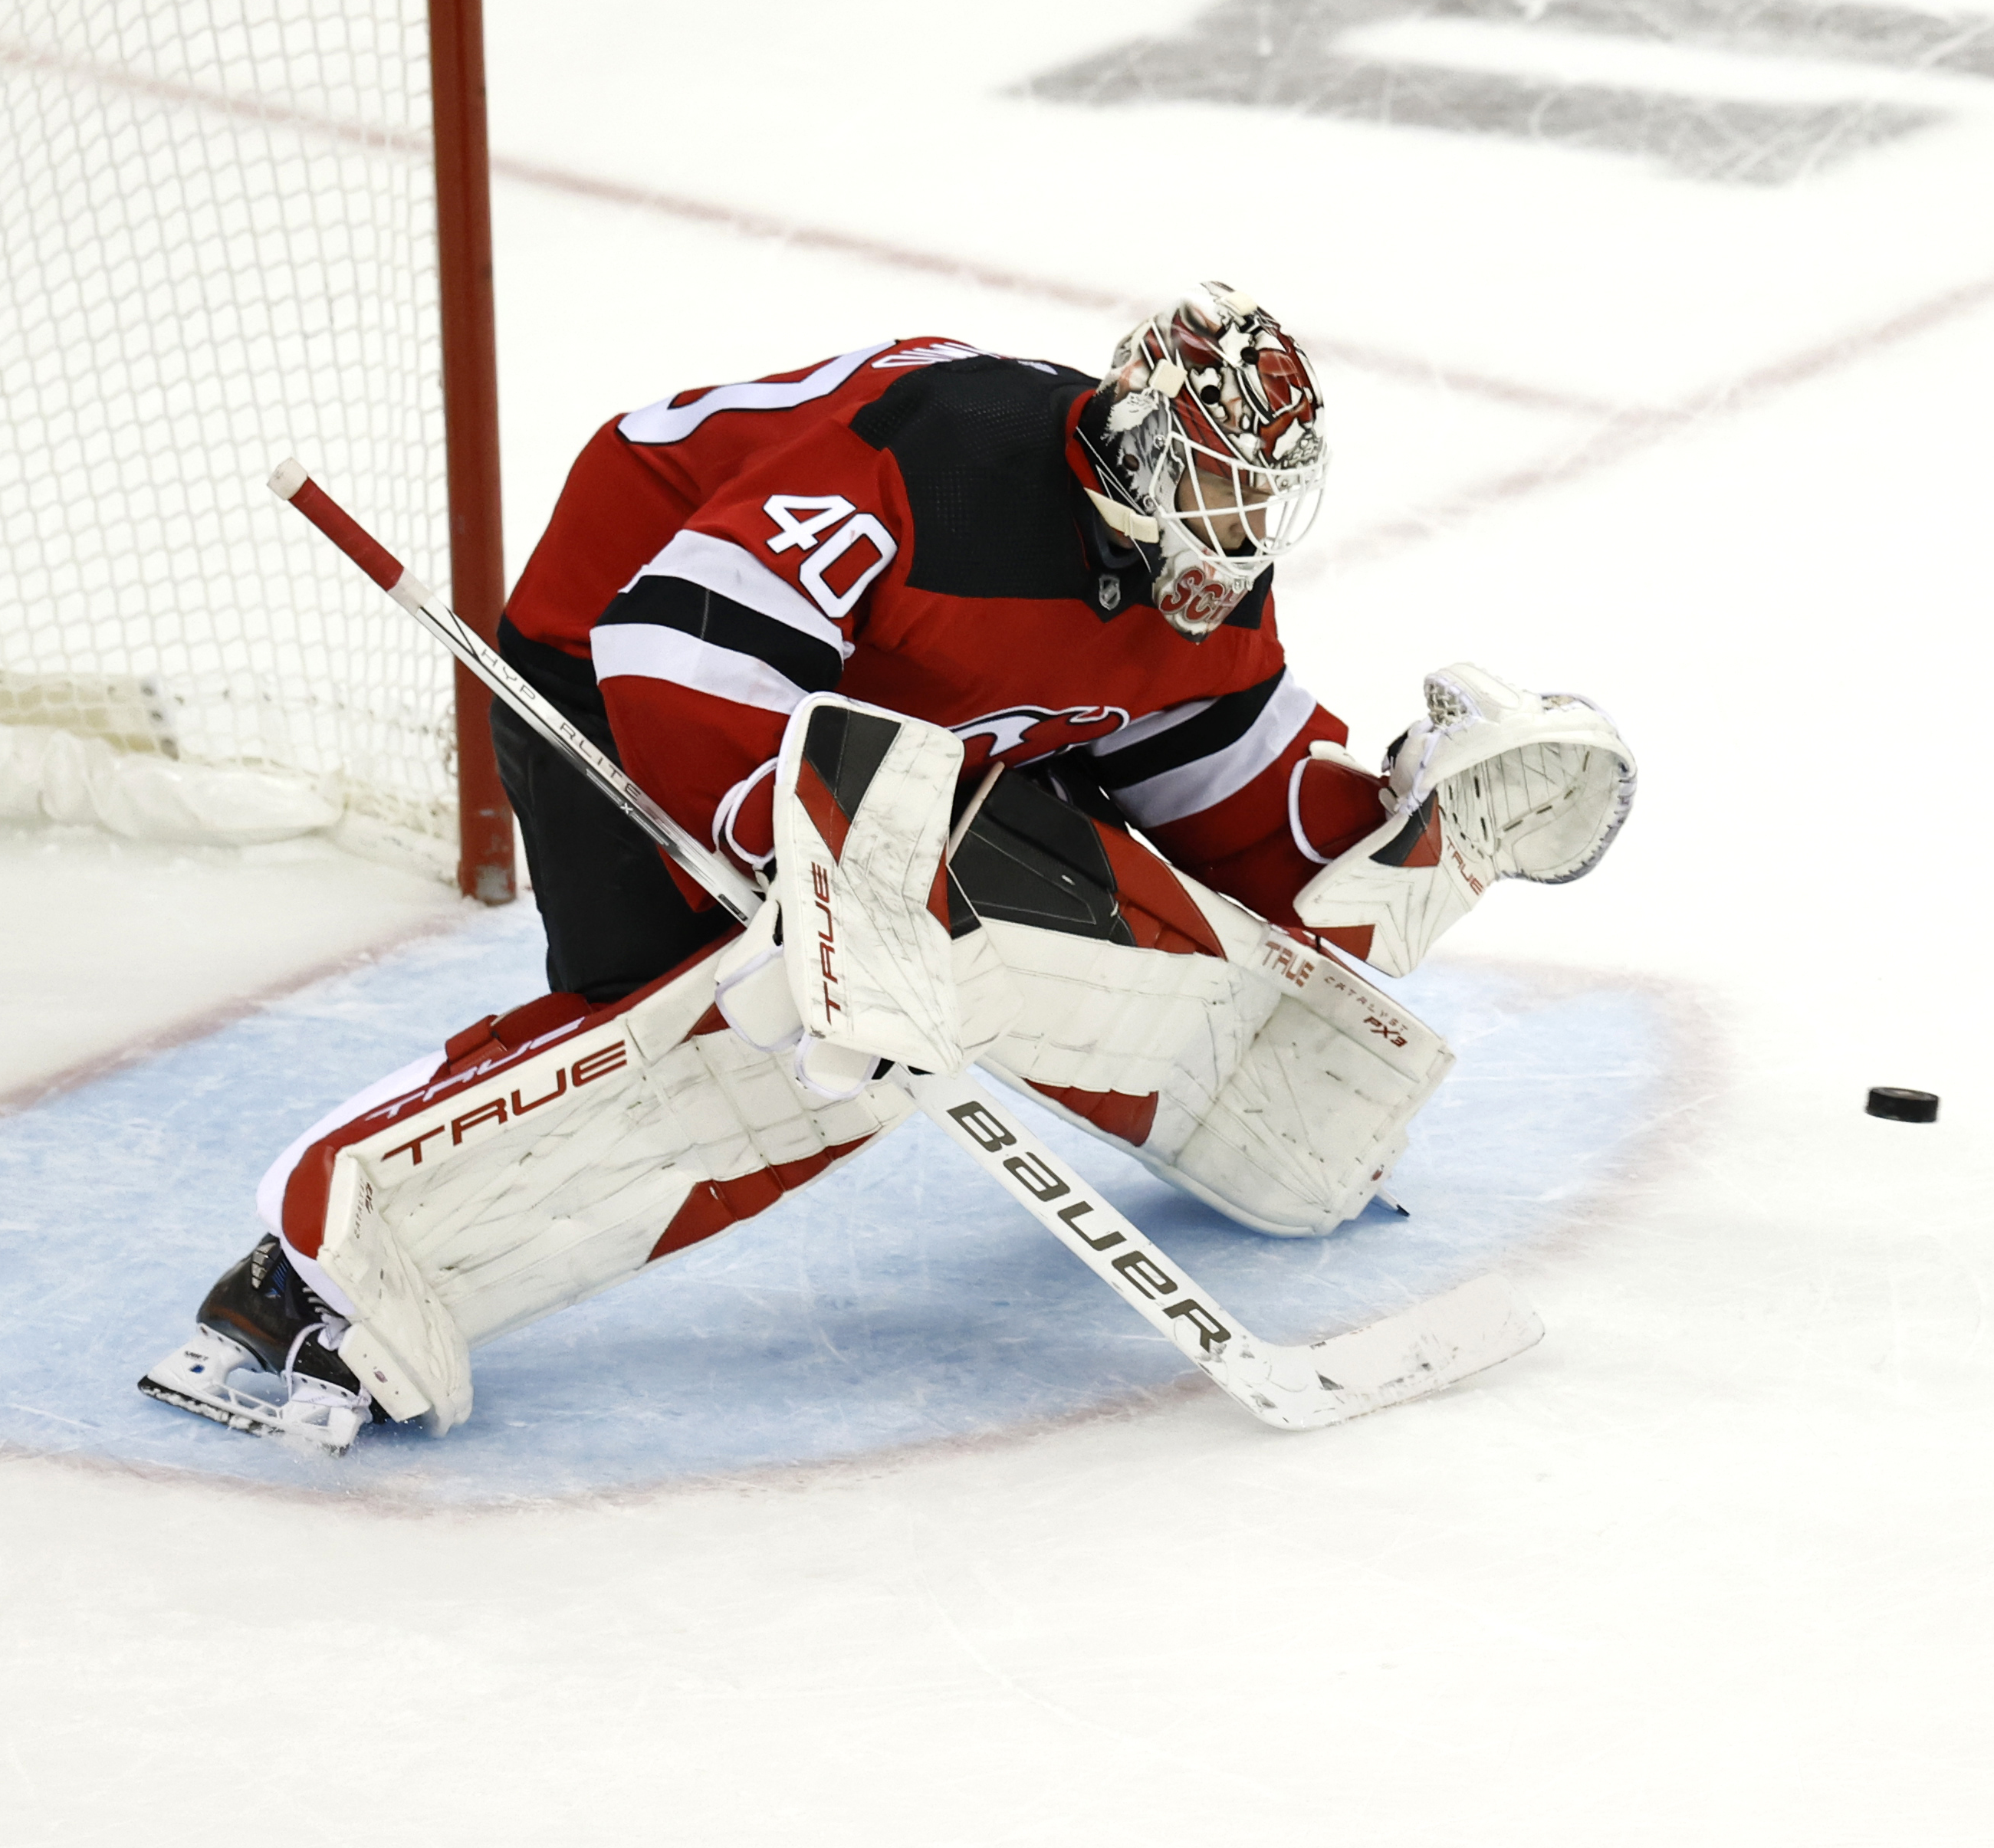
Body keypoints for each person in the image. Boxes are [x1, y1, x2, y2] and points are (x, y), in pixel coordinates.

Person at [140, 286, 1633, 1449]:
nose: (1241, 535)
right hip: (610, 664)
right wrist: (805, 882)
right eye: (1224, 487)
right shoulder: (948, 457)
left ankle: (1281, 1116)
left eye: (1265, 500)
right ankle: (307, 1276)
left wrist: (1396, 824)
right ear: (1147, 442)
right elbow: (677, 640)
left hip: (885, 749)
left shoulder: (1199, 594)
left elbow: (1228, 800)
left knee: (992, 930)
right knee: (739, 1029)